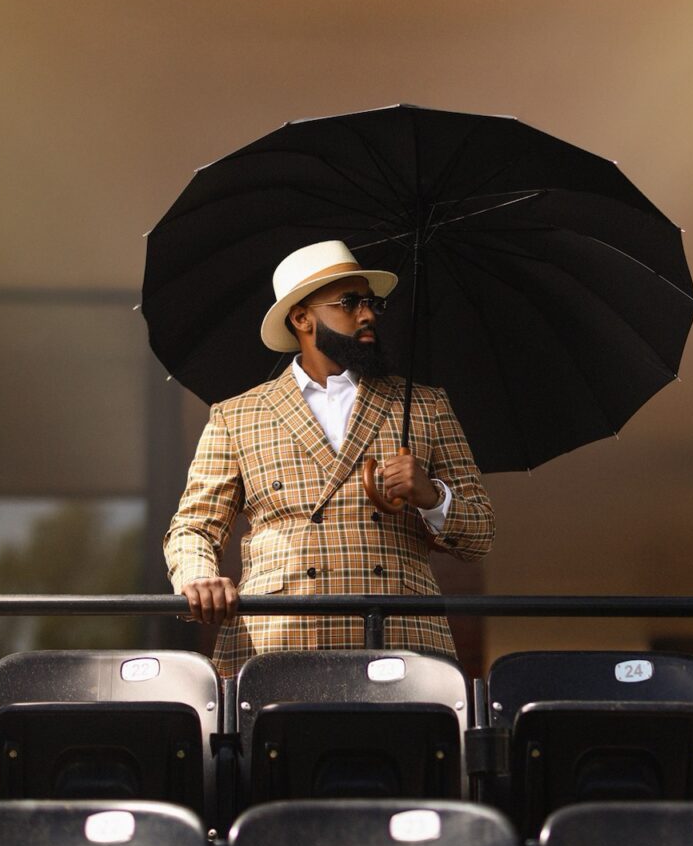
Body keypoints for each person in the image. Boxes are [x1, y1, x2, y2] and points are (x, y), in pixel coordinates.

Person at [165, 239, 495, 678]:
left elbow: (481, 535)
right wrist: (198, 577)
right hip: (278, 637)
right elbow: (193, 527)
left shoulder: (425, 404)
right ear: (301, 317)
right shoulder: (237, 414)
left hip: (402, 636)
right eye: (350, 302)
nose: (368, 314)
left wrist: (432, 496)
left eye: (371, 302)